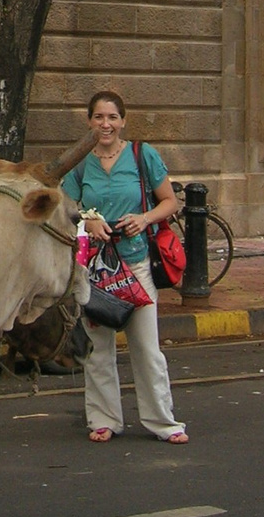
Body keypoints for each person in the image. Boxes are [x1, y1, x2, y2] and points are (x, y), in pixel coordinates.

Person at [62, 90, 188, 445]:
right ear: (89, 122)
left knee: (147, 349)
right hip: (97, 271)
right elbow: (67, 208)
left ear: (123, 121)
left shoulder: (141, 155)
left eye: (112, 117)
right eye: (99, 117)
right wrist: (88, 222)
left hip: (136, 266)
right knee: (98, 349)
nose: (106, 124)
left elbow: (170, 201)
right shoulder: (82, 164)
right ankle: (103, 420)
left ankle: (163, 421)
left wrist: (144, 218)